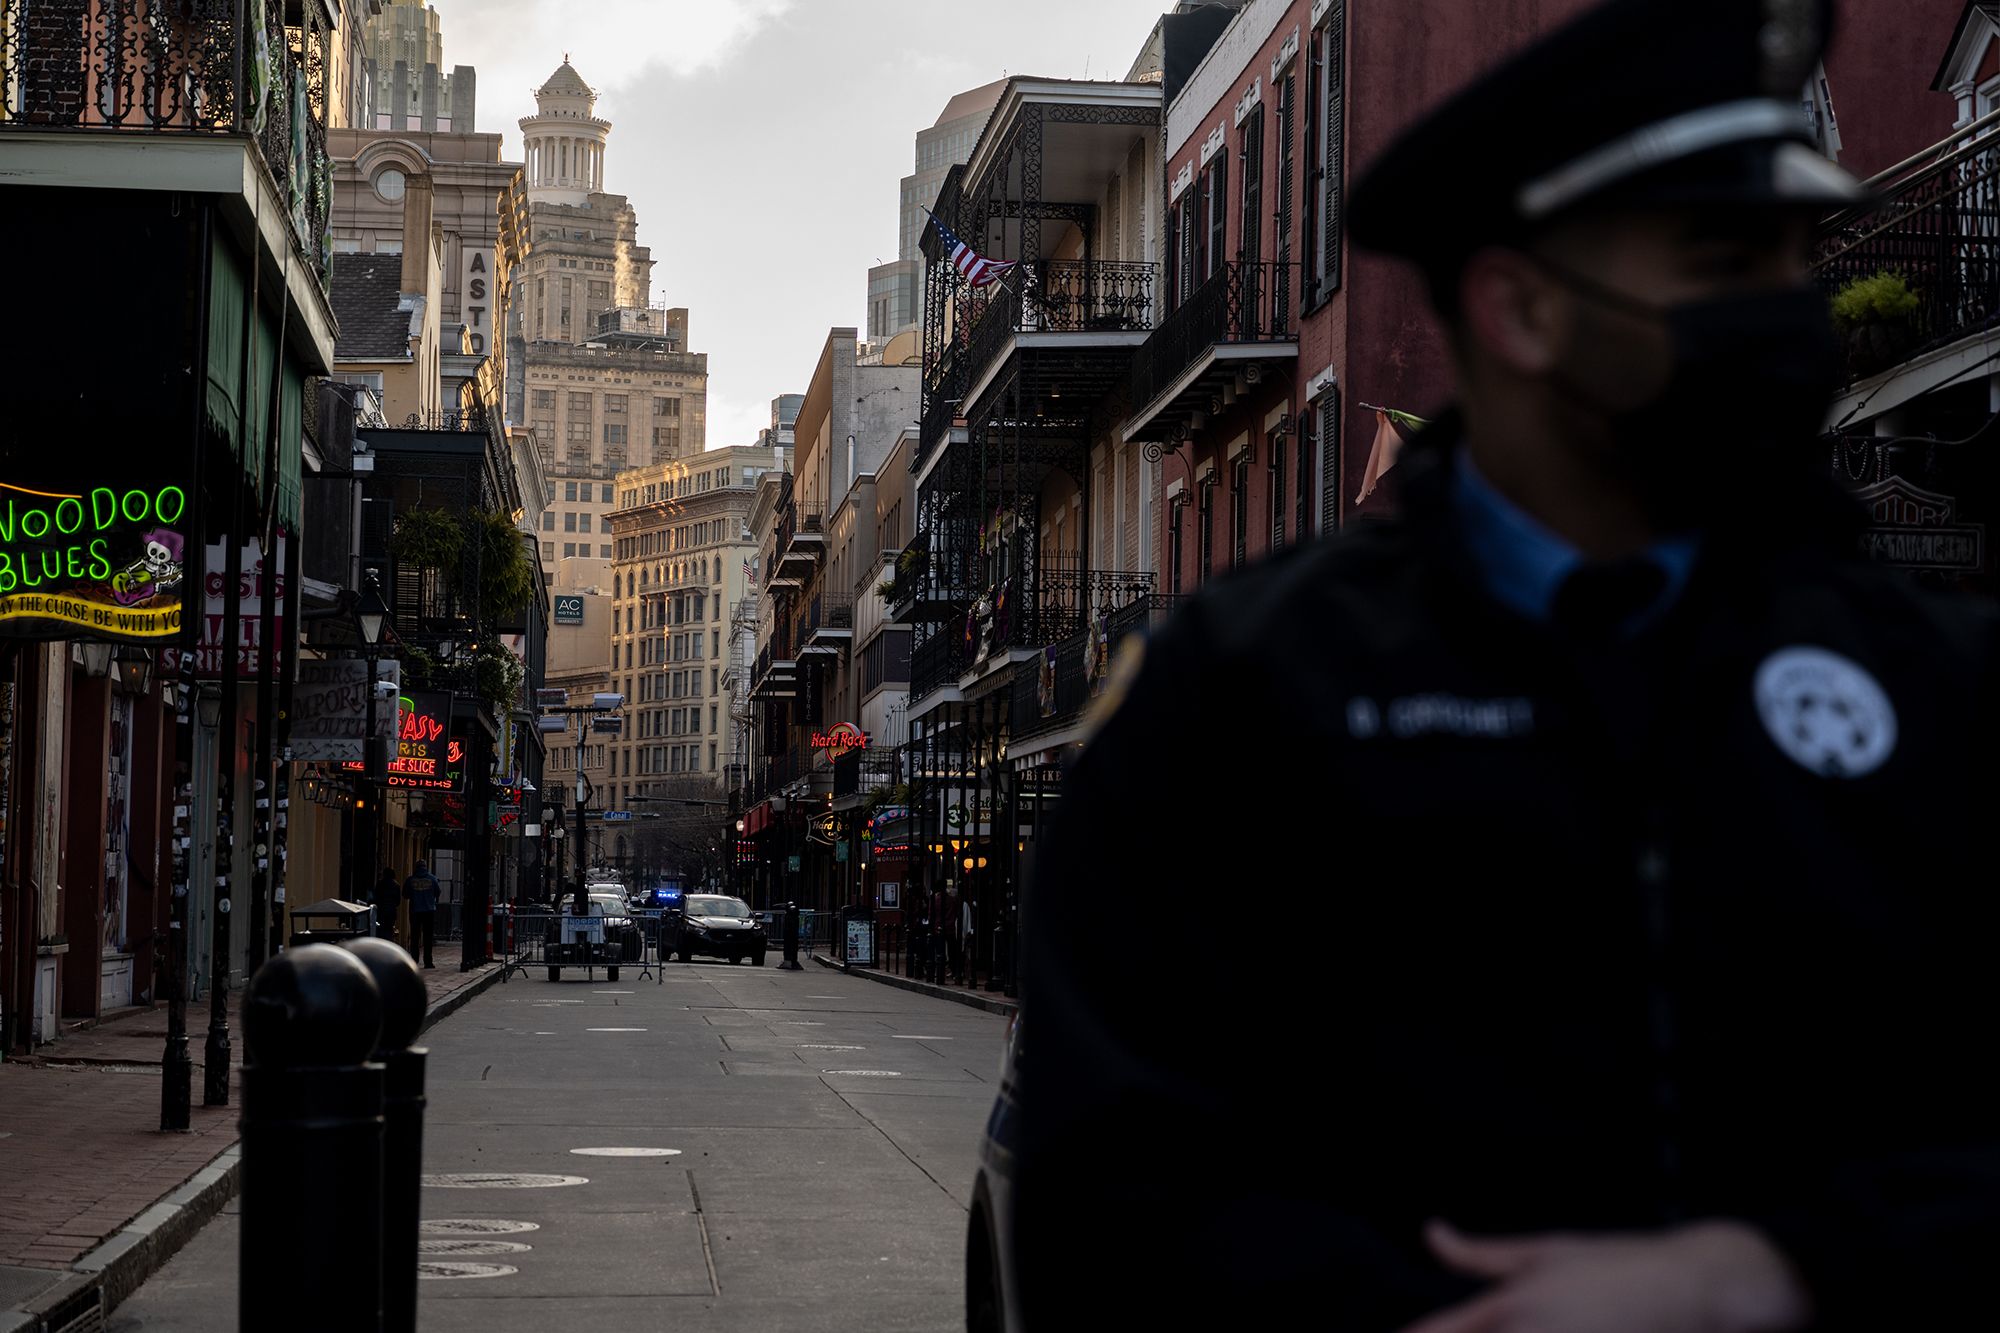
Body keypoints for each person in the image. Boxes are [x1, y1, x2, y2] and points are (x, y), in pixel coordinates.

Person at [1014, 2, 2000, 1330]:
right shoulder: (1243, 694)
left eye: (1793, 256)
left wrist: (1780, 1274)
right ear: (1522, 307)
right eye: (1721, 260)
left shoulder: (1932, 679)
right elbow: (1113, 1199)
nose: (1789, 313)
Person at [405, 859, 441, 968]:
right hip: (429, 911)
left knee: (415, 937)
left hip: (415, 911)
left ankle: (414, 960)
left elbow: (405, 894)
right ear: (425, 867)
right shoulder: (432, 879)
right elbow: (438, 892)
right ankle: (428, 962)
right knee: (428, 937)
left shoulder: (410, 880)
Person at [373, 867, 402, 943]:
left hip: (381, 910)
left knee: (380, 929)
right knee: (389, 930)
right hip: (391, 911)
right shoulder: (396, 885)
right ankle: (389, 943)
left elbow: (376, 897)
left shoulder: (380, 884)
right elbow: (398, 901)